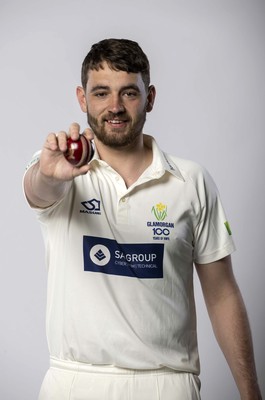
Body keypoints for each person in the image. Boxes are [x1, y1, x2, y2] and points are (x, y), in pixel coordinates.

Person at [23, 38, 262, 400]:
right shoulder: (58, 169)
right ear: (82, 98)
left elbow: (222, 293)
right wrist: (49, 174)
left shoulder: (191, 180)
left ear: (149, 98)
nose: (114, 107)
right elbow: (38, 191)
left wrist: (251, 394)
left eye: (129, 94)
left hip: (167, 383)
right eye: (101, 93)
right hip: (74, 382)